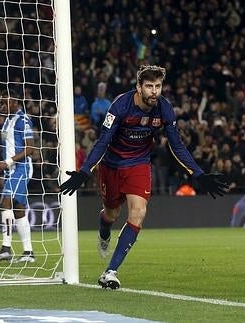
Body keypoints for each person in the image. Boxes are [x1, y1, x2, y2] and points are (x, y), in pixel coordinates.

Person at [59, 65, 229, 290]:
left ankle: (110, 271)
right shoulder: (120, 105)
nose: (154, 91)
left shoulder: (165, 109)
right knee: (111, 214)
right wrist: (85, 170)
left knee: (138, 212)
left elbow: (176, 145)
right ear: (139, 87)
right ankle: (104, 231)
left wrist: (198, 174)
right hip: (111, 165)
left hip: (139, 163)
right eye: (149, 86)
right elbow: (103, 141)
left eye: (158, 86)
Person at [0, 90, 36, 263]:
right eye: (1, 102)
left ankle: (6, 249)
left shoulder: (23, 121)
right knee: (18, 209)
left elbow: (30, 149)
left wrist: (7, 162)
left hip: (21, 168)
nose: (1, 106)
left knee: (5, 202)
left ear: (15, 103)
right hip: (11, 169)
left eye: (5, 102)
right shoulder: (8, 120)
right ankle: (28, 252)